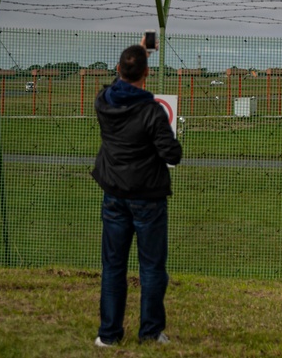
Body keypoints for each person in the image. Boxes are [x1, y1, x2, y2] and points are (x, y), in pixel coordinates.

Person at [91, 39, 182, 347]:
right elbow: (172, 154)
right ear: (147, 74)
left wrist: (140, 53)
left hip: (114, 195)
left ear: (118, 69)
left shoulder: (103, 101)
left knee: (113, 266)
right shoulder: (151, 111)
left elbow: (119, 84)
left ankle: (109, 334)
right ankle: (151, 332)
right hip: (148, 198)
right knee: (152, 267)